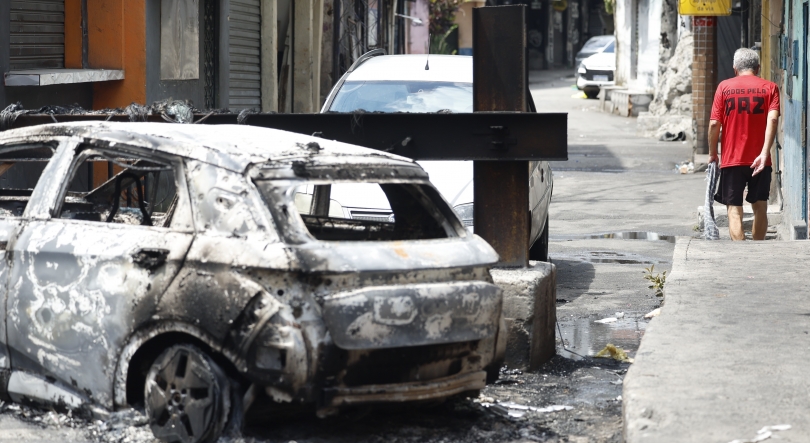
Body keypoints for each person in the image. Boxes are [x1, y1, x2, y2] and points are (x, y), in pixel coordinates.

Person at [708, 48, 780, 241]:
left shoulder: (724, 87)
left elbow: (715, 123)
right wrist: (764, 153)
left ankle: (740, 254)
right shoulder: (770, 88)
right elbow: (773, 121)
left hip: (732, 159)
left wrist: (713, 152)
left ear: (735, 68)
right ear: (757, 68)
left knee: (734, 210)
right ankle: (757, 251)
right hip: (761, 159)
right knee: (760, 207)